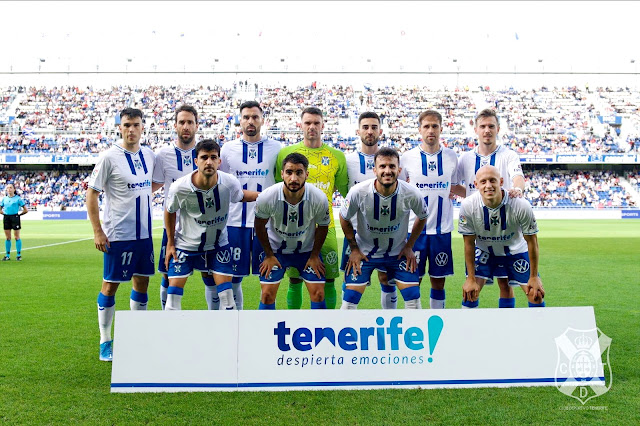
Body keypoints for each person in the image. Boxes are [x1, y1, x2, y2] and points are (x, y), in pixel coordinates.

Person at [87, 107, 156, 362]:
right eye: (126, 125)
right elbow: (92, 193)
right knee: (110, 284)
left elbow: (152, 185)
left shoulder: (148, 155)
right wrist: (98, 231)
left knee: (142, 282)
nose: (131, 129)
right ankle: (106, 340)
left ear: (142, 127)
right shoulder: (109, 157)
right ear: (120, 127)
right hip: (118, 234)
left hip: (145, 234)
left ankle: (136, 338)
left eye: (135, 125)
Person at [163, 139, 258, 311]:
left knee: (228, 302)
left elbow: (241, 195)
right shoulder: (180, 188)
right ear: (196, 161)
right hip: (186, 246)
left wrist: (266, 195)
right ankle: (173, 337)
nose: (209, 162)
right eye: (204, 157)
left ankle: (228, 337)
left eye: (213, 157)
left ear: (219, 161)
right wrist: (170, 243)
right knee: (172, 302)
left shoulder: (229, 182)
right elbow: (170, 211)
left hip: (218, 246)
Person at [275, 107, 348, 309]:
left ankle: (329, 323)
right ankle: (294, 323)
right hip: (294, 228)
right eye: (308, 123)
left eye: (316, 123)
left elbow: (347, 193)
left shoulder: (336, 156)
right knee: (295, 279)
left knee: (329, 278)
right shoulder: (286, 154)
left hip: (327, 228)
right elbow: (277, 190)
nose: (312, 127)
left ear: (323, 125)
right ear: (301, 125)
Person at [452, 108, 526, 308]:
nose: (487, 130)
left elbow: (518, 177)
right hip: (478, 228)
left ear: (498, 129)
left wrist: (517, 189)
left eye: (491, 126)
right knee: (473, 285)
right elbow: (454, 184)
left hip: (505, 227)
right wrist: (471, 196)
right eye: (482, 126)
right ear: (475, 129)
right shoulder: (466, 159)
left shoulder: (508, 155)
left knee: (505, 283)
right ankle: (468, 332)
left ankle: (507, 327)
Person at [340, 147, 428, 310]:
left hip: (397, 252)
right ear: (374, 170)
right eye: (382, 166)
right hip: (365, 253)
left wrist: (409, 246)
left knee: (413, 302)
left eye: (392, 166)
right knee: (349, 303)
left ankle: (405, 334)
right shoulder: (358, 192)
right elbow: (344, 217)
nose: (387, 171)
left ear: (399, 170)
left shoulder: (411, 193)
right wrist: (353, 248)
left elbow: (422, 216)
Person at [219, 101, 282, 310]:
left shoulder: (276, 148)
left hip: (267, 225)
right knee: (233, 278)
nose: (250, 121)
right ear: (240, 121)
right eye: (246, 117)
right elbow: (222, 183)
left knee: (268, 282)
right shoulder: (228, 149)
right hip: (236, 222)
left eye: (255, 117)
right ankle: (237, 323)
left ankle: (263, 329)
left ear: (262, 120)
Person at [458, 165, 545, 308]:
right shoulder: (468, 205)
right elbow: (469, 244)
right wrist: (471, 278)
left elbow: (532, 242)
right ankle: (468, 330)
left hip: (516, 251)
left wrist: (534, 277)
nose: (488, 186)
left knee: (535, 295)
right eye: (483, 181)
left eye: (493, 180)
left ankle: (536, 329)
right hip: (485, 251)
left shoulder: (520, 205)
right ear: (476, 184)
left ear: (501, 181)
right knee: (470, 295)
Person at [254, 153, 330, 309]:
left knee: (319, 294)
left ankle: (319, 331)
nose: (294, 178)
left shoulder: (318, 198)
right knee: (267, 294)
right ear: (282, 174)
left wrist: (315, 255)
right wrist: (269, 255)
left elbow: (323, 227)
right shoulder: (267, 197)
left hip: (306, 251)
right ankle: (265, 332)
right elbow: (259, 226)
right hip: (276, 251)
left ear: (306, 174)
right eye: (289, 172)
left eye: (299, 173)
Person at [399, 110, 459, 309]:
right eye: (426, 126)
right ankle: (414, 326)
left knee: (438, 282)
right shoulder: (407, 158)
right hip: (414, 232)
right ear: (419, 130)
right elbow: (397, 191)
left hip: (441, 231)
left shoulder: (451, 157)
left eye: (435, 126)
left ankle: (436, 322)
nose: (431, 130)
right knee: (413, 282)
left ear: (441, 129)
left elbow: (455, 186)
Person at [342, 111, 397, 308]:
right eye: (365, 127)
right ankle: (345, 330)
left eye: (374, 127)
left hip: (387, 232)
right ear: (358, 131)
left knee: (387, 281)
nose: (370, 131)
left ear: (380, 131)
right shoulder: (347, 161)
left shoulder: (392, 162)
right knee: (351, 282)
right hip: (356, 235)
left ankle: (392, 326)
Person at [152, 104, 202, 309]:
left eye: (190, 122)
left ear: (197, 126)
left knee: (211, 278)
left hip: (203, 227)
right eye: (182, 122)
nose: (186, 126)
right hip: (173, 228)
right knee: (167, 274)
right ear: (175, 126)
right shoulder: (163, 155)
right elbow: (153, 186)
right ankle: (167, 319)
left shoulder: (207, 153)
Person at [1, 183, 28, 261]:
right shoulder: (4, 199)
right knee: (8, 237)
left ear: (14, 189)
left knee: (16, 237)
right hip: (6, 218)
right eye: (8, 188)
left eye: (10, 187)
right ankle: (7, 255)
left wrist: (19, 215)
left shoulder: (18, 199)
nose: (9, 189)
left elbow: (25, 210)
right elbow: (0, 208)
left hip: (15, 217)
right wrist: (4, 213)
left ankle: (18, 255)